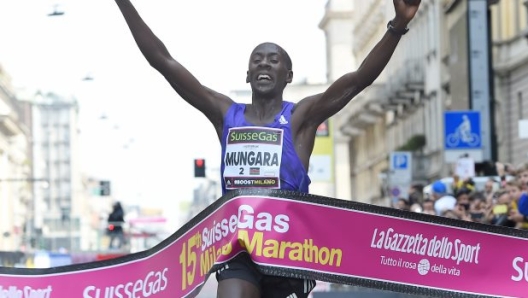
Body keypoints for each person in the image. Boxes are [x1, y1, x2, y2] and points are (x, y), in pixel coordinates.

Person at [114, 0, 421, 297]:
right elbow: (163, 61)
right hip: (240, 249)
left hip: (289, 251)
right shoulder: (226, 114)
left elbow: (358, 80)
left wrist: (398, 25)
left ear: (287, 76)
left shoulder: (301, 118)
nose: (264, 63)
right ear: (248, 75)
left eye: (273, 60)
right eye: (257, 59)